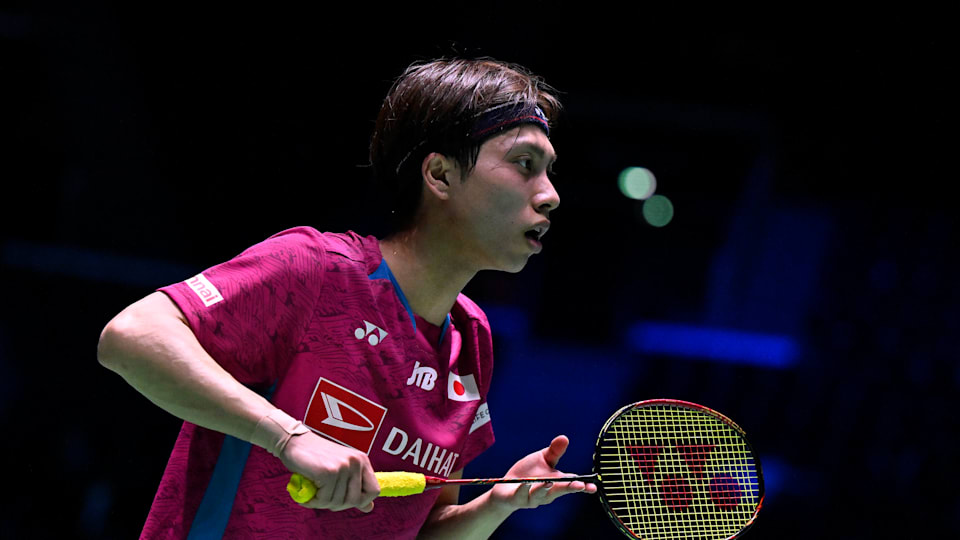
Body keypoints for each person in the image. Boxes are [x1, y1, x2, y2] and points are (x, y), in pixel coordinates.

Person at [98, 57, 596, 539]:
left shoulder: (471, 341)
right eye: (524, 164)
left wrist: (499, 503)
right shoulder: (316, 270)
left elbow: (421, 531)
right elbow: (130, 337)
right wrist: (290, 436)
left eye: (549, 170)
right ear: (440, 175)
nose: (549, 194)